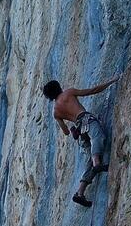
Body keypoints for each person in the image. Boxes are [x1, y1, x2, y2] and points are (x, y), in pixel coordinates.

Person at [42, 75, 120, 207]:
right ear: (58, 87)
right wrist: (111, 81)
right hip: (86, 119)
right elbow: (92, 91)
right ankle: (97, 163)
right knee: (98, 137)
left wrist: (73, 128)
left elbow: (66, 132)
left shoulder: (56, 112)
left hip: (79, 128)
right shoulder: (68, 93)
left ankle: (80, 193)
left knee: (90, 159)